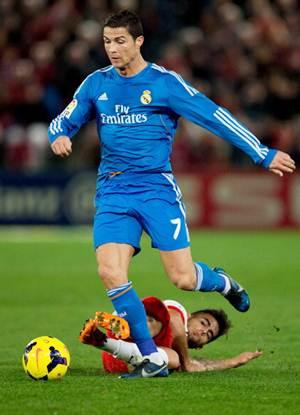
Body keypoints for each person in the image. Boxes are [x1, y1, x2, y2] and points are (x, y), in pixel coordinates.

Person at [48, 10, 296, 379]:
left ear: (139, 42)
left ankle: (224, 282)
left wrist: (262, 152)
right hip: (114, 192)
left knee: (182, 278)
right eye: (107, 42)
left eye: (119, 41)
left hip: (156, 191)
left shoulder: (165, 84)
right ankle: (151, 359)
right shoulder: (95, 84)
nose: (112, 50)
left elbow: (214, 116)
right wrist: (60, 136)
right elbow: (62, 120)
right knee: (110, 272)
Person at [79, 296, 262, 375]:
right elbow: (175, 323)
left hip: (116, 360)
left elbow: (201, 364)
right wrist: (187, 362)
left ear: (200, 346)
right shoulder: (179, 312)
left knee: (171, 359)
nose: (202, 331)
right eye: (203, 323)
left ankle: (100, 339)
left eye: (208, 335)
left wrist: (233, 362)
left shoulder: (178, 355)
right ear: (190, 316)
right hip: (141, 323)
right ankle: (129, 325)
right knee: (163, 319)